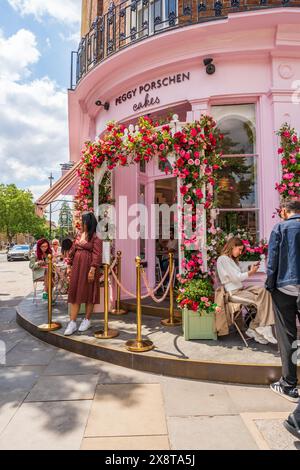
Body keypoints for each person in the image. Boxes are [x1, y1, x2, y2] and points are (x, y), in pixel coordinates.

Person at [266, 200, 300, 408]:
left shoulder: (280, 227)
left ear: (286, 211)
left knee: (287, 336)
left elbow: (273, 260)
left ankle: (289, 384)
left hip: (285, 288)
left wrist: (270, 285)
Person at [217, 237, 277, 344]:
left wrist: (250, 267)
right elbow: (236, 277)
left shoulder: (232, 260)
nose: (240, 252)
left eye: (241, 250)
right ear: (232, 246)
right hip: (233, 293)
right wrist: (250, 273)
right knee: (260, 300)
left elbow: (240, 272)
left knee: (265, 292)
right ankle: (260, 327)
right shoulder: (222, 259)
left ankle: (257, 328)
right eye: (239, 249)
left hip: (241, 290)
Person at [64, 213, 102, 336]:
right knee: (75, 293)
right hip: (77, 268)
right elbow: (72, 251)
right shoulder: (79, 235)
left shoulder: (96, 237)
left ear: (89, 223)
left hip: (89, 268)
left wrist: (92, 269)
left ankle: (87, 320)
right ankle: (72, 322)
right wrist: (69, 265)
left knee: (89, 293)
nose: (81, 223)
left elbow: (97, 255)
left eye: (83, 221)